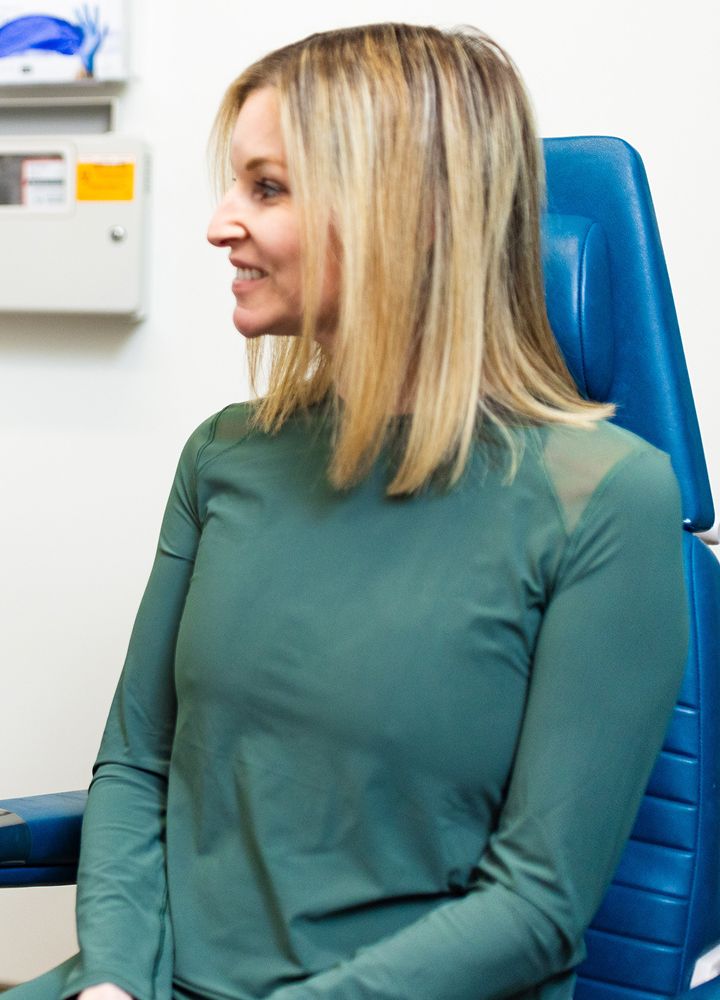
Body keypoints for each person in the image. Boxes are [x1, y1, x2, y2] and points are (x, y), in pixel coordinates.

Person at [8, 22, 688, 1000]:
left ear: (405, 212)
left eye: (269, 188)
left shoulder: (607, 498)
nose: (219, 223)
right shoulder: (225, 455)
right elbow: (136, 765)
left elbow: (537, 906)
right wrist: (111, 980)